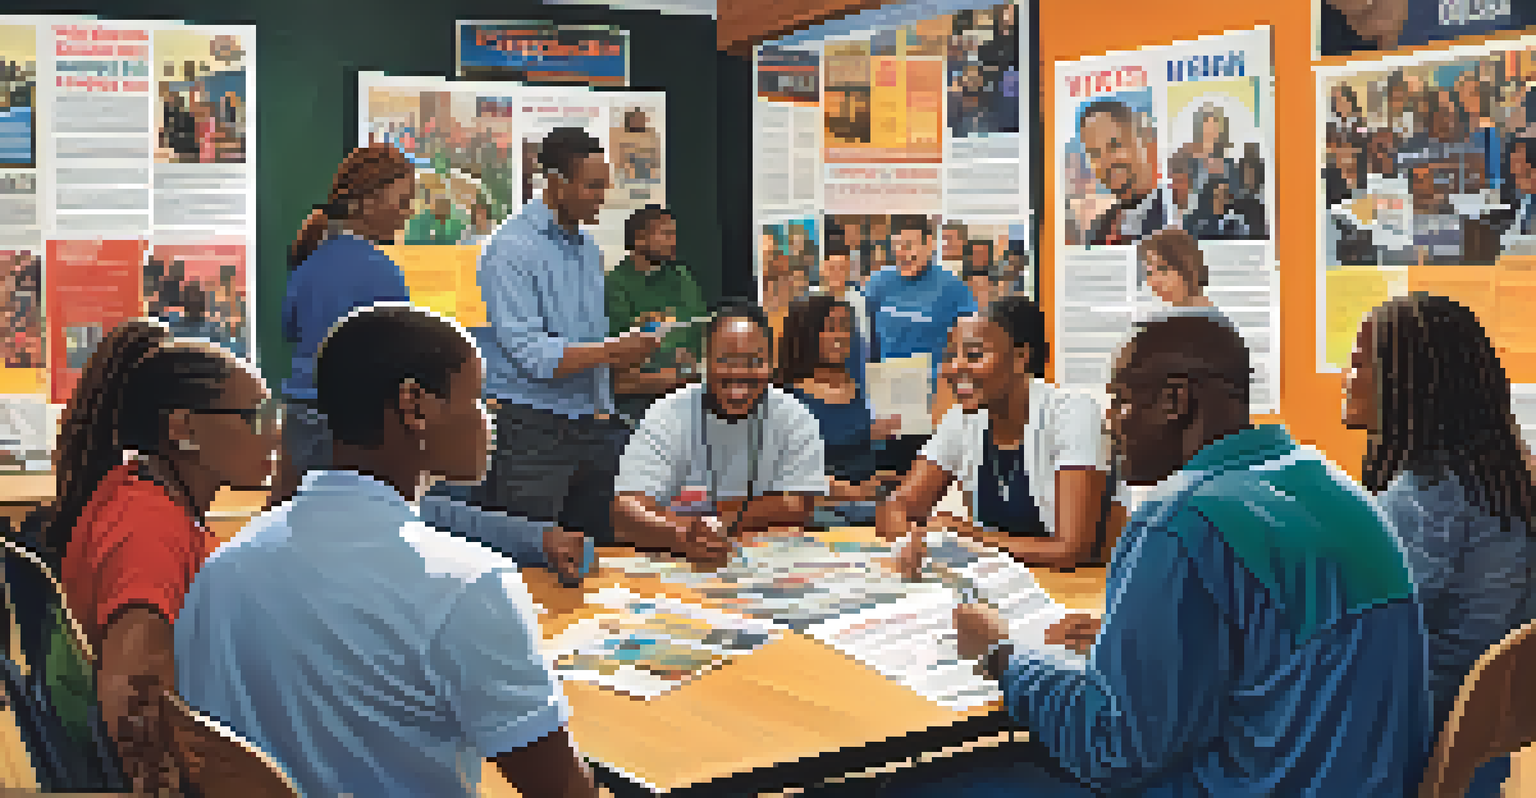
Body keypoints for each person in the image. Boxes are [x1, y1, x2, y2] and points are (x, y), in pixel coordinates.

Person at [926, 314, 1432, 797]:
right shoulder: (1327, 482)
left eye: (1122, 401)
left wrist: (1002, 654)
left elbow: (1113, 748)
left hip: (1259, 785)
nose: (1111, 422)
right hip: (1365, 782)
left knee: (931, 782)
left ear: (1176, 402)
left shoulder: (1177, 522)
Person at [175, 305, 597, 798]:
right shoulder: (465, 585)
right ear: (414, 405)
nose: (489, 419)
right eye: (476, 398)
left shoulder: (223, 569)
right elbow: (563, 791)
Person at [47, 320, 276, 794]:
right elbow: (135, 696)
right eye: (253, 417)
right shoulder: (148, 530)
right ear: (183, 428)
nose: (272, 436)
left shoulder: (145, 495)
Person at [422, 127, 657, 583]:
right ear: (553, 182)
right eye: (591, 186)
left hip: (593, 426)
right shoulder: (509, 249)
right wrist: (613, 351)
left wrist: (626, 349)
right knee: (529, 565)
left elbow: (585, 339)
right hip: (533, 433)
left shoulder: (589, 251)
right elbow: (532, 354)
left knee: (598, 559)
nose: (600, 199)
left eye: (604, 185)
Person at [1344, 294, 1536, 798]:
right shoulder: (1502, 480)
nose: (1347, 377)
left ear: (1407, 383)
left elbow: (1359, 628)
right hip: (1476, 750)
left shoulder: (1427, 494)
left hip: (1412, 744)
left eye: (1360, 362)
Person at [876, 296, 1112, 569]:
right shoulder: (963, 419)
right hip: (1001, 587)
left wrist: (967, 538)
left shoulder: (1072, 413)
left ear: (1021, 358)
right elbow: (897, 508)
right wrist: (912, 538)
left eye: (974, 355)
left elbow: (1071, 549)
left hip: (1076, 593)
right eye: (951, 356)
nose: (954, 368)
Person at [612, 302, 826, 565]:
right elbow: (625, 513)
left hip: (768, 566)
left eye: (754, 362)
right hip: (681, 566)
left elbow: (798, 507)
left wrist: (694, 517)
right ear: (703, 363)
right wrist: (682, 534)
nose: (739, 374)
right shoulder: (667, 413)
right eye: (725, 361)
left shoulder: (795, 416)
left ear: (772, 366)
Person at [271, 142, 415, 509]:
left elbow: (289, 328)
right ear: (366, 203)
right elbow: (397, 356)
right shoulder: (384, 273)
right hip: (349, 425)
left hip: (299, 416)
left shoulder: (309, 262)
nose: (407, 213)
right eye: (401, 202)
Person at [863, 214, 977, 478]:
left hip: (933, 394)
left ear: (929, 244)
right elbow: (865, 337)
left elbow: (972, 336)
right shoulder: (878, 283)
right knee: (889, 470)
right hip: (887, 391)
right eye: (898, 246)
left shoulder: (951, 287)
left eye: (910, 245)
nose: (903, 253)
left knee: (928, 470)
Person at [778, 294, 900, 527]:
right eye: (831, 328)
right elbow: (789, 469)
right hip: (819, 513)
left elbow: (853, 458)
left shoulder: (856, 388)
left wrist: (877, 478)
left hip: (866, 507)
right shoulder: (785, 397)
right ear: (807, 334)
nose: (842, 336)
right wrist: (848, 491)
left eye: (846, 328)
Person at [605, 205, 705, 424]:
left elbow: (696, 324)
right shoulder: (615, 284)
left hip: (686, 383)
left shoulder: (681, 276)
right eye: (666, 234)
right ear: (640, 239)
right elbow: (621, 342)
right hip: (641, 392)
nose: (673, 241)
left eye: (674, 234)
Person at [1078, 99, 1166, 245]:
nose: (1106, 161)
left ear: (1141, 141)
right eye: (1095, 153)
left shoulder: (1172, 214)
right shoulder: (1099, 231)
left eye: (1115, 146)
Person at [1135, 228, 1234, 329]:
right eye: (1150, 273)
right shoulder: (1170, 320)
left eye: (1163, 269)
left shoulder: (1210, 326)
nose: (1152, 281)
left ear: (1188, 267)